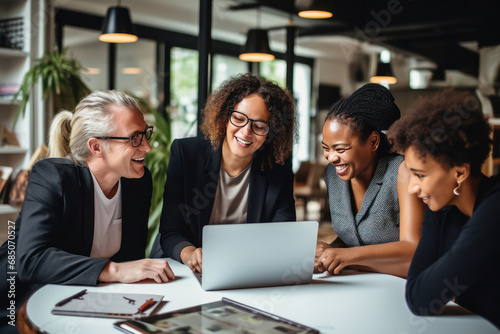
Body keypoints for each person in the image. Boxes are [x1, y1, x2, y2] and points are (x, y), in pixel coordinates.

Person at [0, 90, 175, 326]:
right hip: (20, 306)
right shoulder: (52, 177)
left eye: (146, 134)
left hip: (83, 304)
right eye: (134, 137)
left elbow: (131, 260)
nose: (147, 147)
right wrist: (115, 271)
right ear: (96, 147)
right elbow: (31, 260)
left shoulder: (138, 182)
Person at [157, 73, 296, 273]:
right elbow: (170, 232)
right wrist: (189, 253)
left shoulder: (278, 169)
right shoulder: (187, 154)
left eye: (258, 126)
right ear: (224, 118)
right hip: (183, 269)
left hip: (245, 269)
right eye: (239, 119)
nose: (246, 132)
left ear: (271, 133)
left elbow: (283, 235)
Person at [387, 89, 500, 329]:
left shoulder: (494, 208)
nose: (412, 189)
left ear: (459, 173)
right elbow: (417, 294)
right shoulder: (442, 208)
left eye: (420, 175)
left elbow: (422, 299)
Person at [315, 83, 425, 278]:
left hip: (400, 286)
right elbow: (355, 238)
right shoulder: (332, 176)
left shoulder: (401, 172)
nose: (331, 157)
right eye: (326, 148)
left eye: (340, 149)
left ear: (373, 141)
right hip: (357, 283)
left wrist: (347, 257)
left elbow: (413, 249)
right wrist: (327, 255)